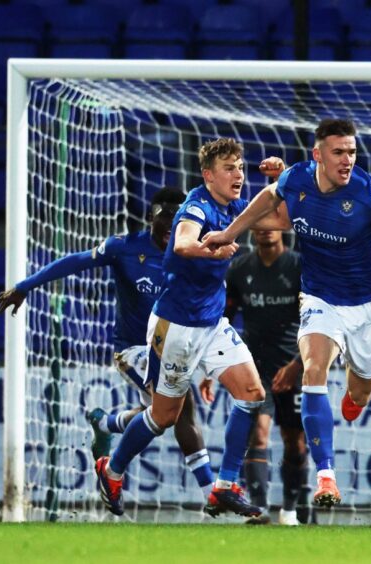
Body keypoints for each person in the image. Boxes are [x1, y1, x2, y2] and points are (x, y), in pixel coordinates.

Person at [200, 119, 371, 508]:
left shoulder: (369, 194)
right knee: (314, 369)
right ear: (318, 155)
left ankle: (356, 395)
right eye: (338, 152)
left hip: (367, 305)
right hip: (320, 297)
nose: (347, 159)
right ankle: (327, 477)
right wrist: (229, 233)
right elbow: (268, 198)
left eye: (351, 151)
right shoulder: (296, 177)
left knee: (361, 390)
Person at [93, 138, 281, 518]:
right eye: (229, 169)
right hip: (176, 327)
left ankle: (224, 486)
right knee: (164, 417)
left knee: (252, 392)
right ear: (208, 175)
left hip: (212, 324)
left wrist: (280, 183)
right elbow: (181, 245)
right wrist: (217, 246)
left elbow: (282, 219)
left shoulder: (235, 207)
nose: (239, 175)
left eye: (241, 168)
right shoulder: (196, 205)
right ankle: (111, 470)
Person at [0, 188, 218, 504]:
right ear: (150, 218)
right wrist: (25, 286)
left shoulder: (194, 255)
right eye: (164, 215)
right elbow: (75, 261)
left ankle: (105, 423)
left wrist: (209, 363)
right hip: (132, 351)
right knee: (181, 406)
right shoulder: (124, 249)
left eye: (178, 216)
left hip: (174, 348)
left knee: (159, 415)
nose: (171, 223)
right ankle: (211, 493)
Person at [225, 228, 309, 526]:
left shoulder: (300, 267)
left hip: (293, 367)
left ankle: (291, 509)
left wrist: (299, 364)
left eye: (270, 221)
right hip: (255, 366)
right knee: (257, 433)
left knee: (295, 442)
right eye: (258, 222)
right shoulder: (239, 268)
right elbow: (225, 317)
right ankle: (259, 508)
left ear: (283, 226)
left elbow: (318, 318)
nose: (264, 228)